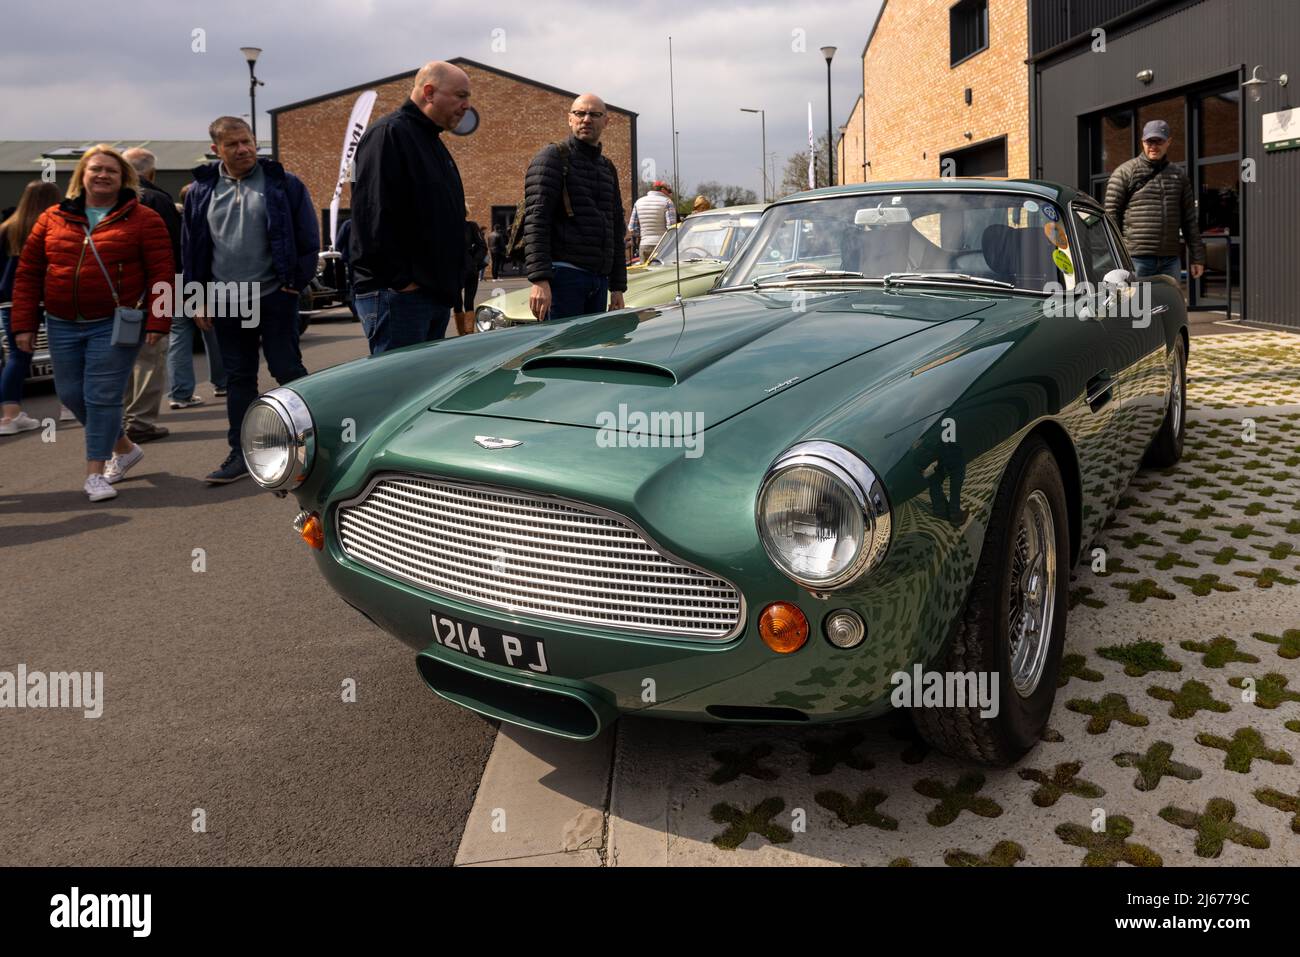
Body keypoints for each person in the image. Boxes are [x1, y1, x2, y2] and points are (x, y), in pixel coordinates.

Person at [11, 145, 173, 501]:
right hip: (61, 322)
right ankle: (126, 447)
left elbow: (161, 274)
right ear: (81, 175)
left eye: (111, 171)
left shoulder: (145, 218)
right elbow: (28, 272)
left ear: (124, 178)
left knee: (101, 396)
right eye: (95, 169)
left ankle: (95, 473)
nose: (102, 175)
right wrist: (23, 323)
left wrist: (159, 321)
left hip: (115, 323)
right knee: (70, 395)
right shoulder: (52, 218)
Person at [183, 116, 318, 484]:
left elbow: (308, 237)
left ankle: (314, 441)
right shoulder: (200, 192)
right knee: (239, 378)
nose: (243, 150)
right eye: (233, 145)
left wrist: (296, 282)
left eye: (247, 142)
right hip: (228, 301)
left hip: (276, 294)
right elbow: (192, 249)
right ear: (217, 150)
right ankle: (242, 453)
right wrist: (197, 298)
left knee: (287, 369)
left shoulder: (283, 184)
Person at [350, 60, 470, 353]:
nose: (467, 105)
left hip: (428, 293)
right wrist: (402, 282)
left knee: (423, 389)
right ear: (429, 92)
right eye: (461, 95)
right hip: (401, 297)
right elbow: (372, 215)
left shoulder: (431, 141)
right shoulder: (389, 135)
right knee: (398, 391)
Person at [525, 94, 627, 321]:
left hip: (598, 281)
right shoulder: (552, 157)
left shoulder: (607, 167)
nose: (586, 119)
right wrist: (540, 279)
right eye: (580, 113)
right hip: (563, 278)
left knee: (590, 353)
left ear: (606, 121)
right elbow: (536, 220)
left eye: (594, 114)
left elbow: (615, 227)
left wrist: (617, 287)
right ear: (570, 119)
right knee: (561, 352)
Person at [116, 148, 181, 443]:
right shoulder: (157, 200)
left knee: (122, 357)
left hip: (116, 294)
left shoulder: (105, 200)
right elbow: (173, 254)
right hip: (153, 291)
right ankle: (140, 423)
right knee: (150, 356)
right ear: (151, 172)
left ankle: (122, 420)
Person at [1105, 119, 1205, 284]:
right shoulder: (1125, 172)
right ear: (1142, 142)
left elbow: (1189, 220)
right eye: (1149, 141)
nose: (1153, 146)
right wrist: (1117, 255)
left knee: (1169, 307)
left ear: (1168, 142)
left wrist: (1197, 257)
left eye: (1159, 141)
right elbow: (1110, 215)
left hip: (1170, 259)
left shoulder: (1179, 176)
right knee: (1138, 307)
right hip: (1136, 258)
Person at [0, 180, 61, 435]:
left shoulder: (7, 228)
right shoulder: (51, 225)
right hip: (46, 296)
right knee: (62, 352)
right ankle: (68, 406)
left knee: (17, 356)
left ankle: (9, 417)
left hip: (8, 298)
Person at [167, 180, 226, 413]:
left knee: (178, 336)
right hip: (203, 283)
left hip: (174, 282)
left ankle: (180, 393)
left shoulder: (171, 221)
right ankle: (222, 383)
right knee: (212, 333)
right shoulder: (206, 222)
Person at [628, 181, 676, 263]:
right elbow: (671, 227)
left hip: (644, 245)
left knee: (646, 274)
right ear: (663, 190)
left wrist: (643, 235)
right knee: (663, 273)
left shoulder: (639, 202)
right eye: (669, 191)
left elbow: (632, 228)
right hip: (662, 246)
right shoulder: (667, 202)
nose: (670, 193)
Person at [454, 218, 487, 335]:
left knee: (469, 302)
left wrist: (474, 262)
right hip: (454, 271)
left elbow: (482, 246)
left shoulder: (471, 226)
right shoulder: (447, 225)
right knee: (457, 303)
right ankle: (461, 333)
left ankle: (469, 332)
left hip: (470, 269)